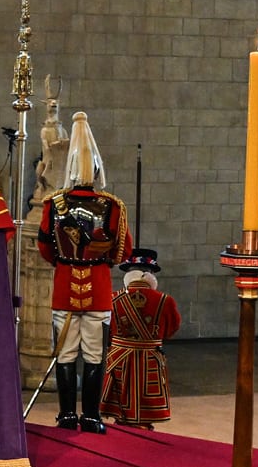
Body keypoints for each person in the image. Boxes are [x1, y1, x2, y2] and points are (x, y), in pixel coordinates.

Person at [35, 112, 129, 434]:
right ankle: (90, 416)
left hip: (64, 288)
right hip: (99, 289)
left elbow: (45, 247)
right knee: (94, 355)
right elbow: (123, 251)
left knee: (64, 354)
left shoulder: (53, 204)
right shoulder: (113, 206)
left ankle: (66, 415)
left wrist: (65, 263)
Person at [101, 248, 181, 427]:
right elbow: (171, 329)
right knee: (146, 406)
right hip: (149, 359)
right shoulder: (165, 301)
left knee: (120, 404)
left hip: (119, 359)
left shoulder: (112, 298)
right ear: (150, 275)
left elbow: (104, 331)